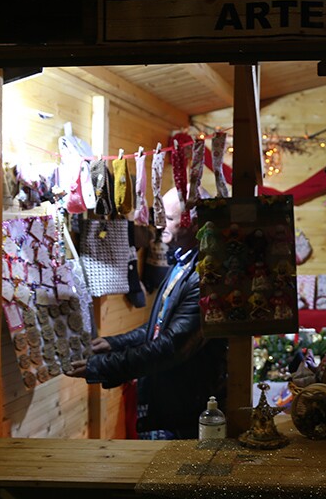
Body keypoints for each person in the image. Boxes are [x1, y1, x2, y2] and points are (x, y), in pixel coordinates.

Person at [65, 187, 228, 439]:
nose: (159, 225)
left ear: (195, 224)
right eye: (159, 216)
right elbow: (160, 326)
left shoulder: (206, 278)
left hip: (184, 413)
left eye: (169, 218)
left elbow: (171, 346)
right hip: (168, 402)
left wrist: (101, 366)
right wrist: (114, 343)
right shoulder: (183, 262)